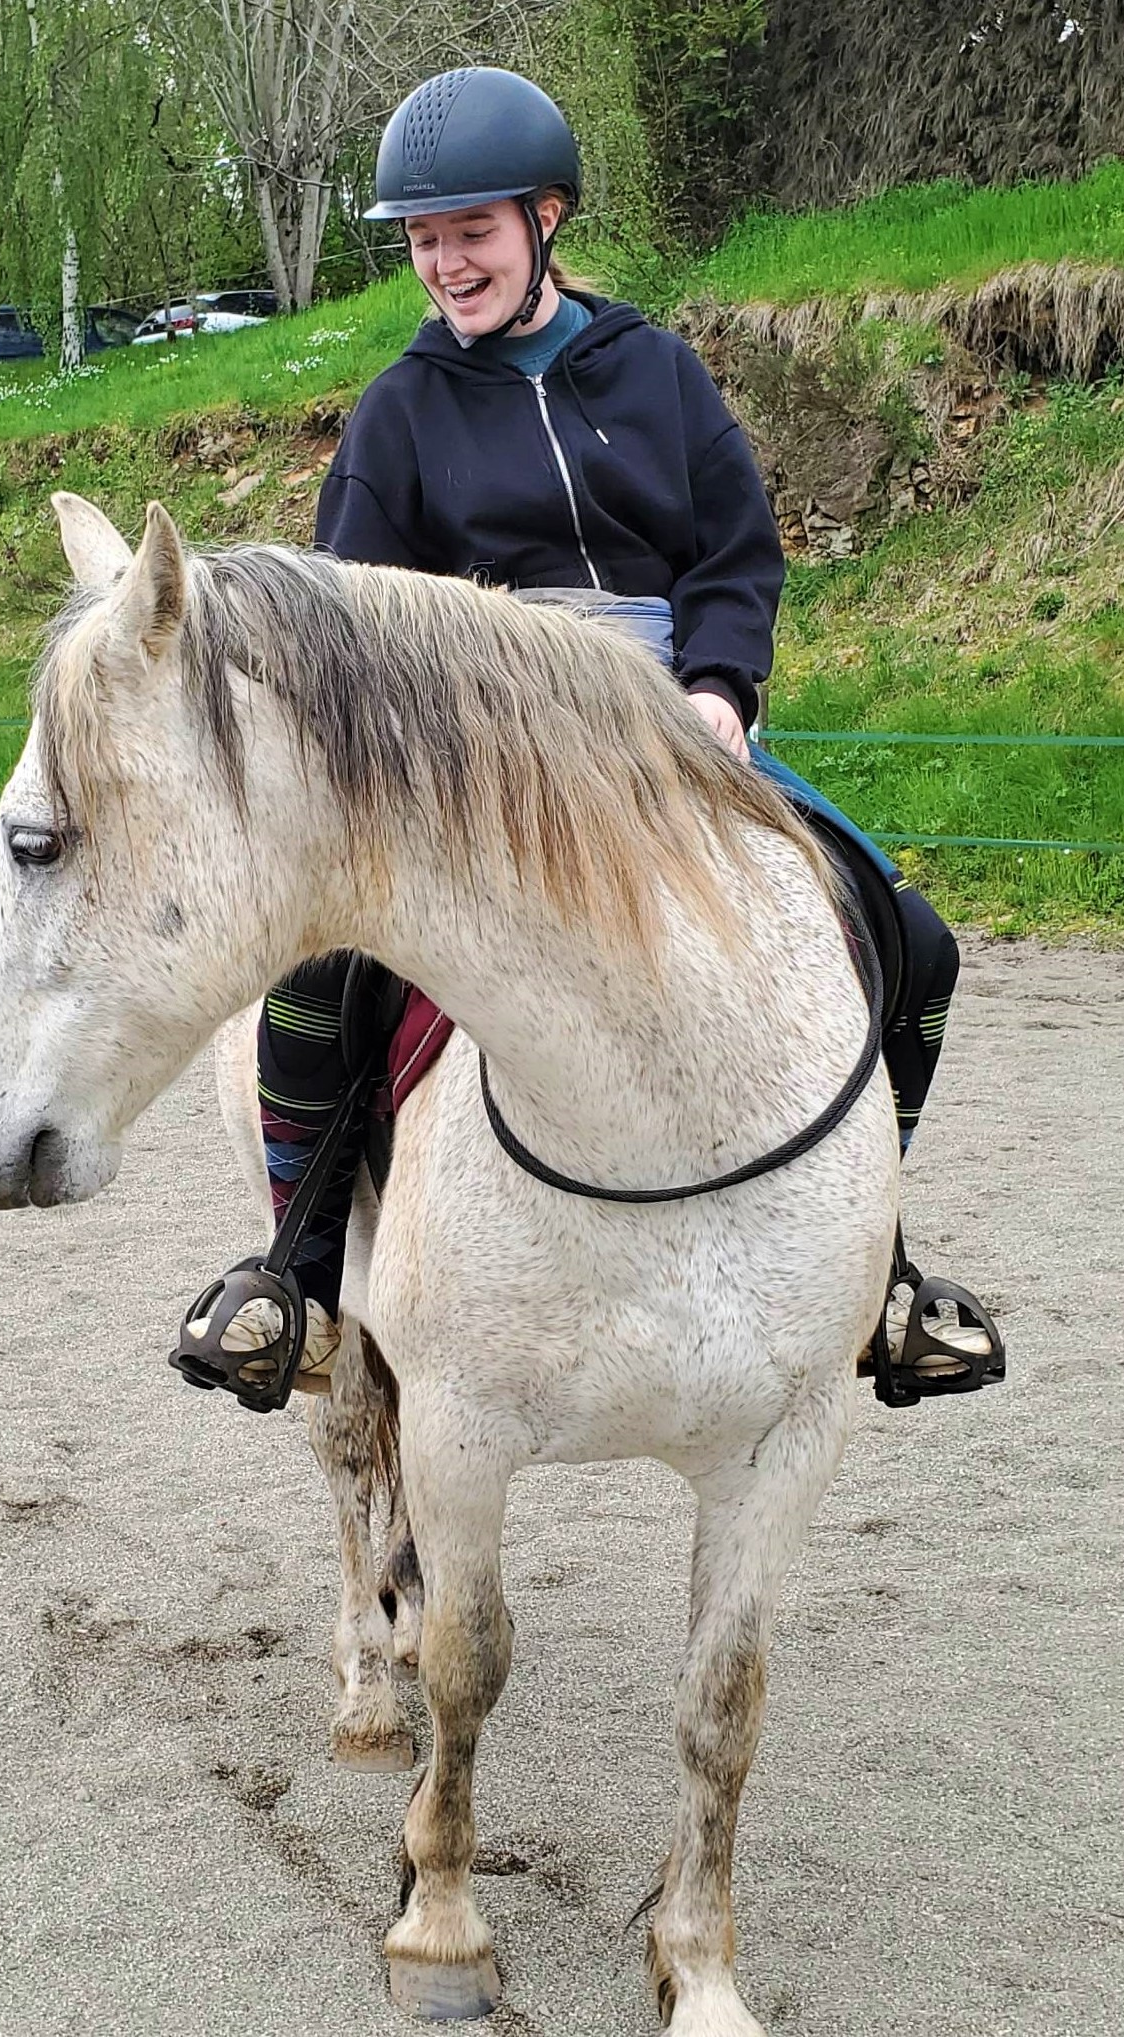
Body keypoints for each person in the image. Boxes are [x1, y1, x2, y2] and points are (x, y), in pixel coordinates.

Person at [191, 66, 997, 1398]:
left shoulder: (655, 372)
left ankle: (879, 1268)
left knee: (910, 941)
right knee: (313, 985)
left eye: (472, 233)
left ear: (544, 217)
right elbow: (348, 627)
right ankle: (300, 1276)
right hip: (477, 765)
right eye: (423, 240)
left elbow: (736, 555)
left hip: (671, 731)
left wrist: (718, 693)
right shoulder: (398, 414)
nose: (446, 264)